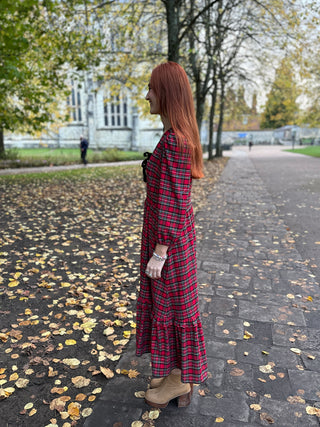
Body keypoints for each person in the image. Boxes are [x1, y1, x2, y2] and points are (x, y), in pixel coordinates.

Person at [136, 62, 208, 409]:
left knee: (176, 307)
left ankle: (179, 380)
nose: (147, 94)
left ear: (166, 92)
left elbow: (176, 202)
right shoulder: (171, 137)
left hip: (170, 244)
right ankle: (168, 373)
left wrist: (160, 251)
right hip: (164, 238)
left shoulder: (177, 142)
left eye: (151, 87)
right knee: (166, 305)